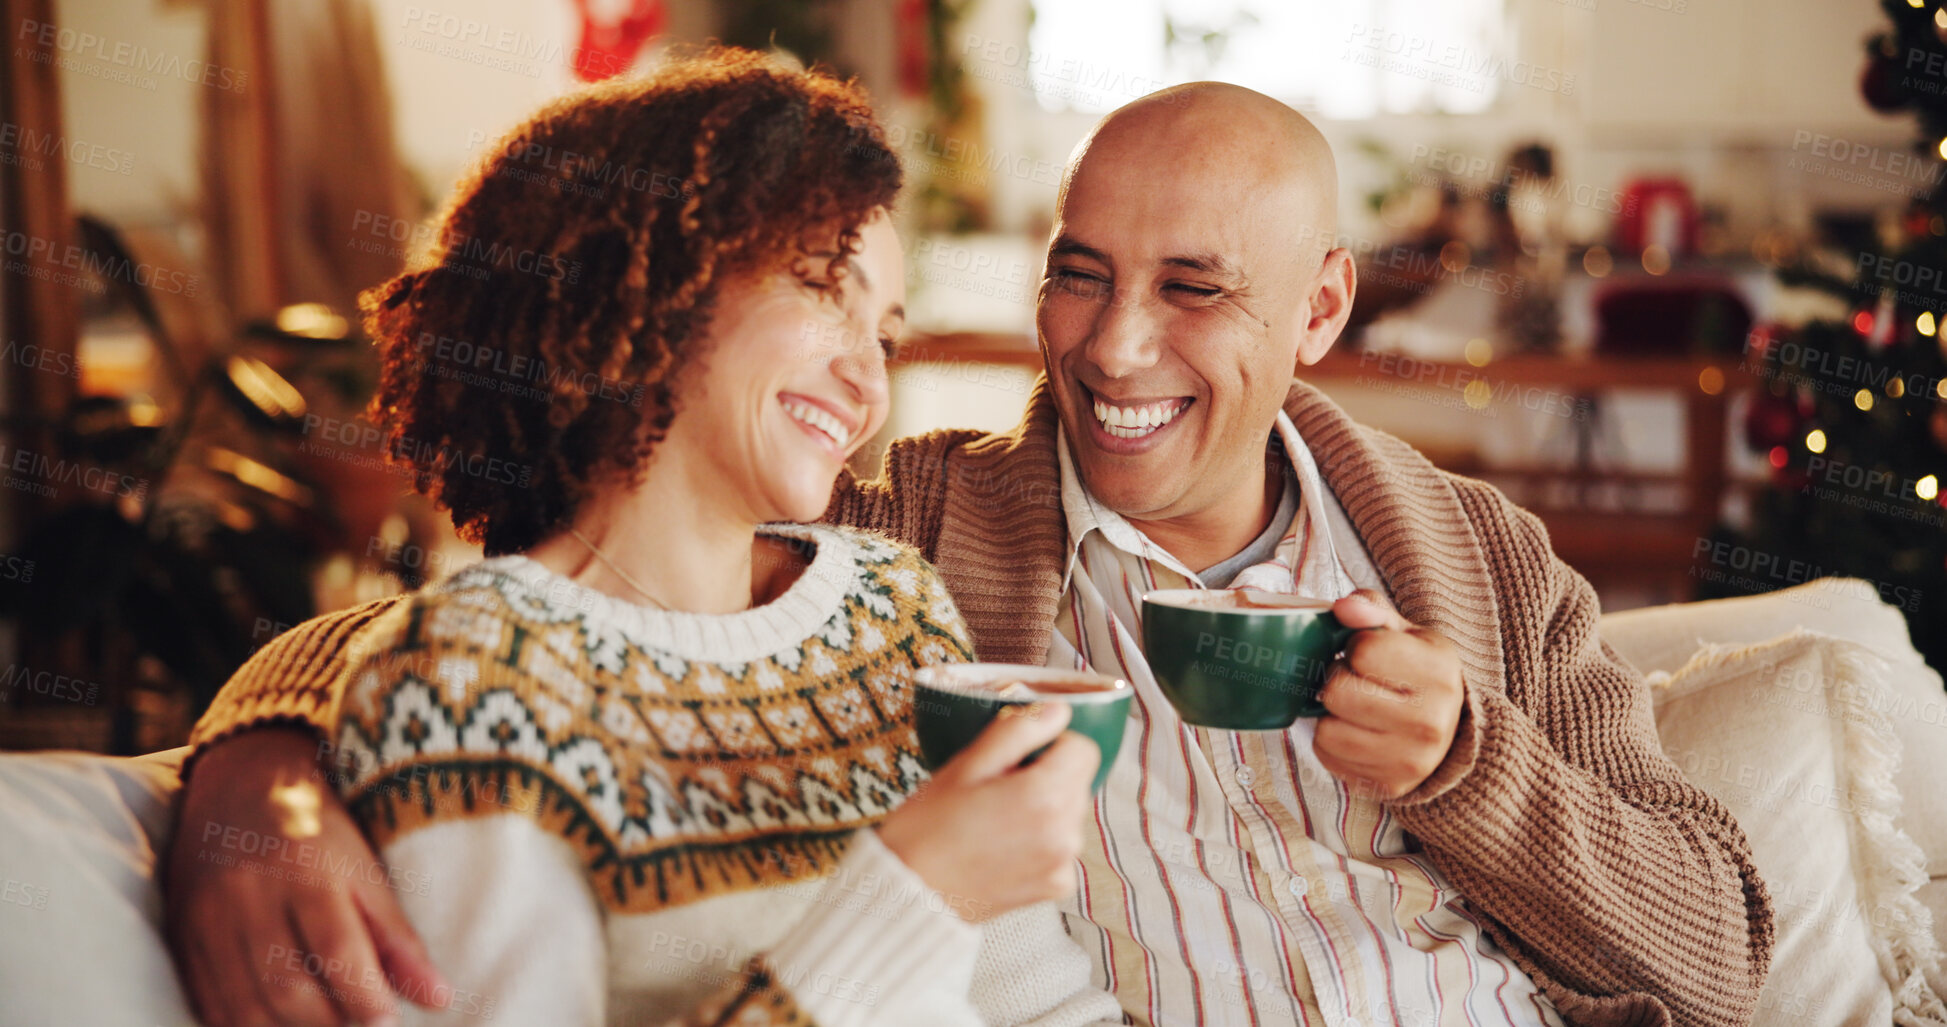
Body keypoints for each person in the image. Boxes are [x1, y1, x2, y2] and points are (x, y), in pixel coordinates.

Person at [167, 81, 1773, 1026]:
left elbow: (1716, 953)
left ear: (1323, 308)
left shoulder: (1475, 555)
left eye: (1193, 289)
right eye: (1079, 275)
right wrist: (262, 771)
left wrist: (1466, 767)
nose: (1112, 347)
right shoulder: (897, 548)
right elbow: (569, 594)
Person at [164, 49, 1123, 1027]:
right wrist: (911, 893)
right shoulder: (469, 688)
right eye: (822, 289)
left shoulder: (893, 606)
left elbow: (1042, 1002)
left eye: (883, 333)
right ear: (648, 288)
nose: (866, 380)